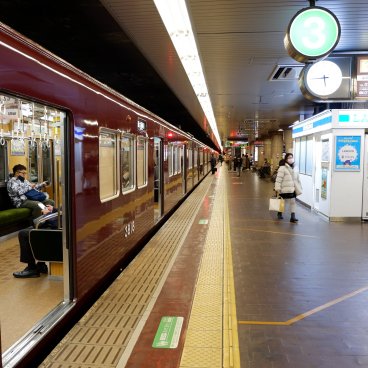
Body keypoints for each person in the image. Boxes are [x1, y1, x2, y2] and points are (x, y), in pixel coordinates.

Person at [13, 205, 59, 278]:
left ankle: (32, 268)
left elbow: (61, 219)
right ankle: (41, 265)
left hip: (59, 232)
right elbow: (63, 213)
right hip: (58, 227)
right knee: (35, 228)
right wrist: (53, 209)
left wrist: (48, 214)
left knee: (23, 234)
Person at [274, 153, 302, 223]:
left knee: (293, 202)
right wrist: (277, 188)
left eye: (292, 157)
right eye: (289, 157)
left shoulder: (295, 167)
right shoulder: (282, 168)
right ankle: (279, 213)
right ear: (286, 159)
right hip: (284, 188)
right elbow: (278, 179)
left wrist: (299, 186)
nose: (291, 159)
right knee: (282, 201)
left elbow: (297, 178)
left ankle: (293, 217)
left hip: (292, 188)